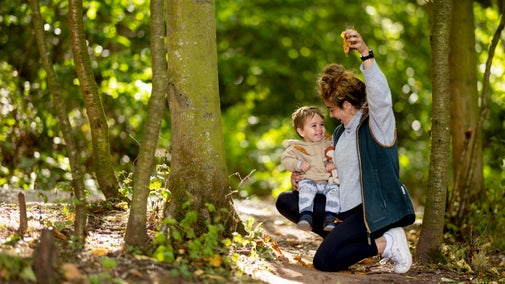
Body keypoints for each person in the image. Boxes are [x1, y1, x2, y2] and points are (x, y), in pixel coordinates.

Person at [275, 29, 416, 274]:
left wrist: (365, 54)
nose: (329, 115)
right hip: (341, 207)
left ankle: (387, 243)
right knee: (286, 201)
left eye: (331, 109)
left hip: (369, 211)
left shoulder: (376, 126)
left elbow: (381, 98)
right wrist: (302, 177)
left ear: (348, 105)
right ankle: (348, 243)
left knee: (324, 262)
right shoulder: (340, 133)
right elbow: (331, 169)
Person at [280, 106, 341, 232]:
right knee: (306, 189)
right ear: (301, 131)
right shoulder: (296, 147)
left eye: (321, 124)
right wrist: (298, 164)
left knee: (335, 191)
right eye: (314, 126)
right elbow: (285, 160)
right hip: (309, 179)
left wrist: (332, 162)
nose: (319, 129)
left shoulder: (328, 142)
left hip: (327, 182)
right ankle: (306, 216)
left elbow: (336, 154)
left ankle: (330, 218)